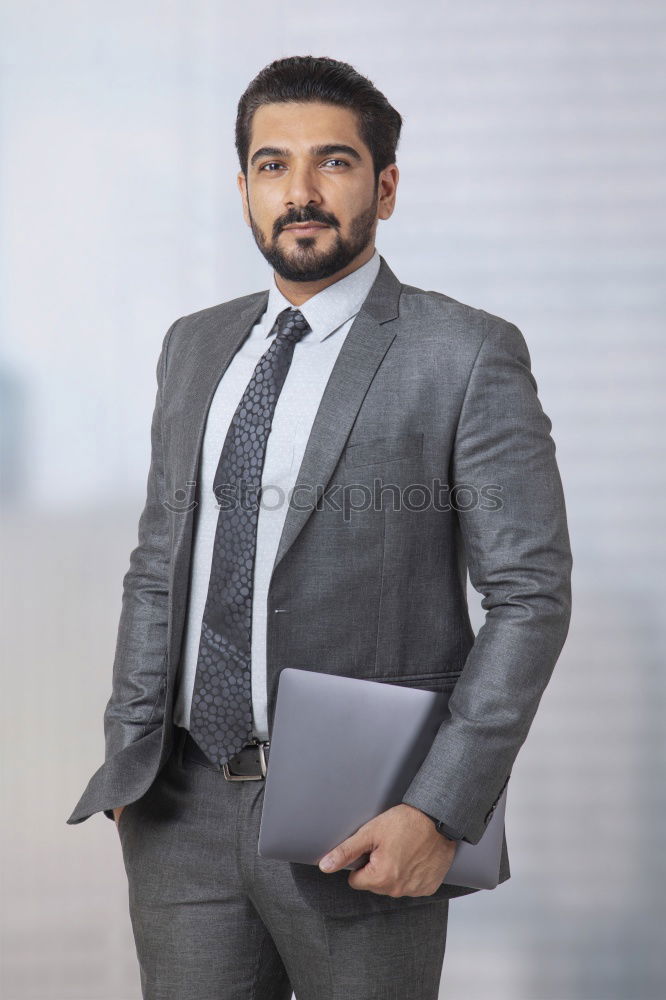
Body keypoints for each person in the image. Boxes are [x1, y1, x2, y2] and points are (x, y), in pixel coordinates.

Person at [67, 54, 573, 1000]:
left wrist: (441, 808)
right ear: (244, 187)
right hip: (179, 811)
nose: (299, 192)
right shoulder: (195, 344)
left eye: (332, 163)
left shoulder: (464, 353)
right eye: (272, 165)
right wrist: (130, 758)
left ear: (384, 186)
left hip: (368, 809)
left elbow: (530, 598)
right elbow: (156, 563)